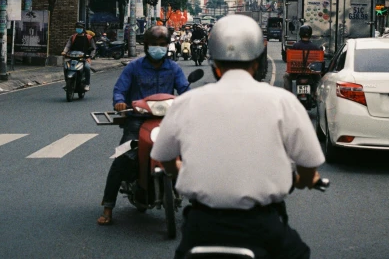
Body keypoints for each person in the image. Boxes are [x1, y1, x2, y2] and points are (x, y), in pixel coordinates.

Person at [151, 15, 325, 259]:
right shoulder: (283, 101)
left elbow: (165, 158)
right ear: (257, 61)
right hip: (262, 225)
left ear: (214, 62)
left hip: (202, 227)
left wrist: (182, 170)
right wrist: (306, 179)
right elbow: (308, 164)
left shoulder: (186, 102)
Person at [97, 26, 190, 226]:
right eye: (154, 45)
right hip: (137, 120)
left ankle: (201, 207)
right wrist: (119, 102)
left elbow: (184, 89)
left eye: (162, 45)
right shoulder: (134, 67)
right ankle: (108, 206)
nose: (158, 48)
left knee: (192, 154)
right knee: (122, 157)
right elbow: (120, 90)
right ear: (146, 46)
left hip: (167, 120)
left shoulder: (174, 68)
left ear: (167, 46)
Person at [283, 24, 322, 92]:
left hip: (296, 71)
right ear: (310, 34)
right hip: (311, 72)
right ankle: (316, 93)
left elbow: (290, 59)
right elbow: (318, 61)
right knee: (319, 79)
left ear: (300, 34)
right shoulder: (315, 47)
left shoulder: (295, 45)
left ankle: (288, 93)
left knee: (286, 76)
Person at [62, 21, 95, 91]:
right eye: (77, 28)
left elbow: (93, 48)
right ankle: (67, 83)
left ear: (83, 28)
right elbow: (68, 45)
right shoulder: (73, 37)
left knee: (87, 67)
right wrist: (64, 52)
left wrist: (90, 56)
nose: (78, 29)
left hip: (84, 58)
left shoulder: (89, 37)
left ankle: (87, 84)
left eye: (80, 28)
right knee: (66, 67)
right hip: (73, 57)